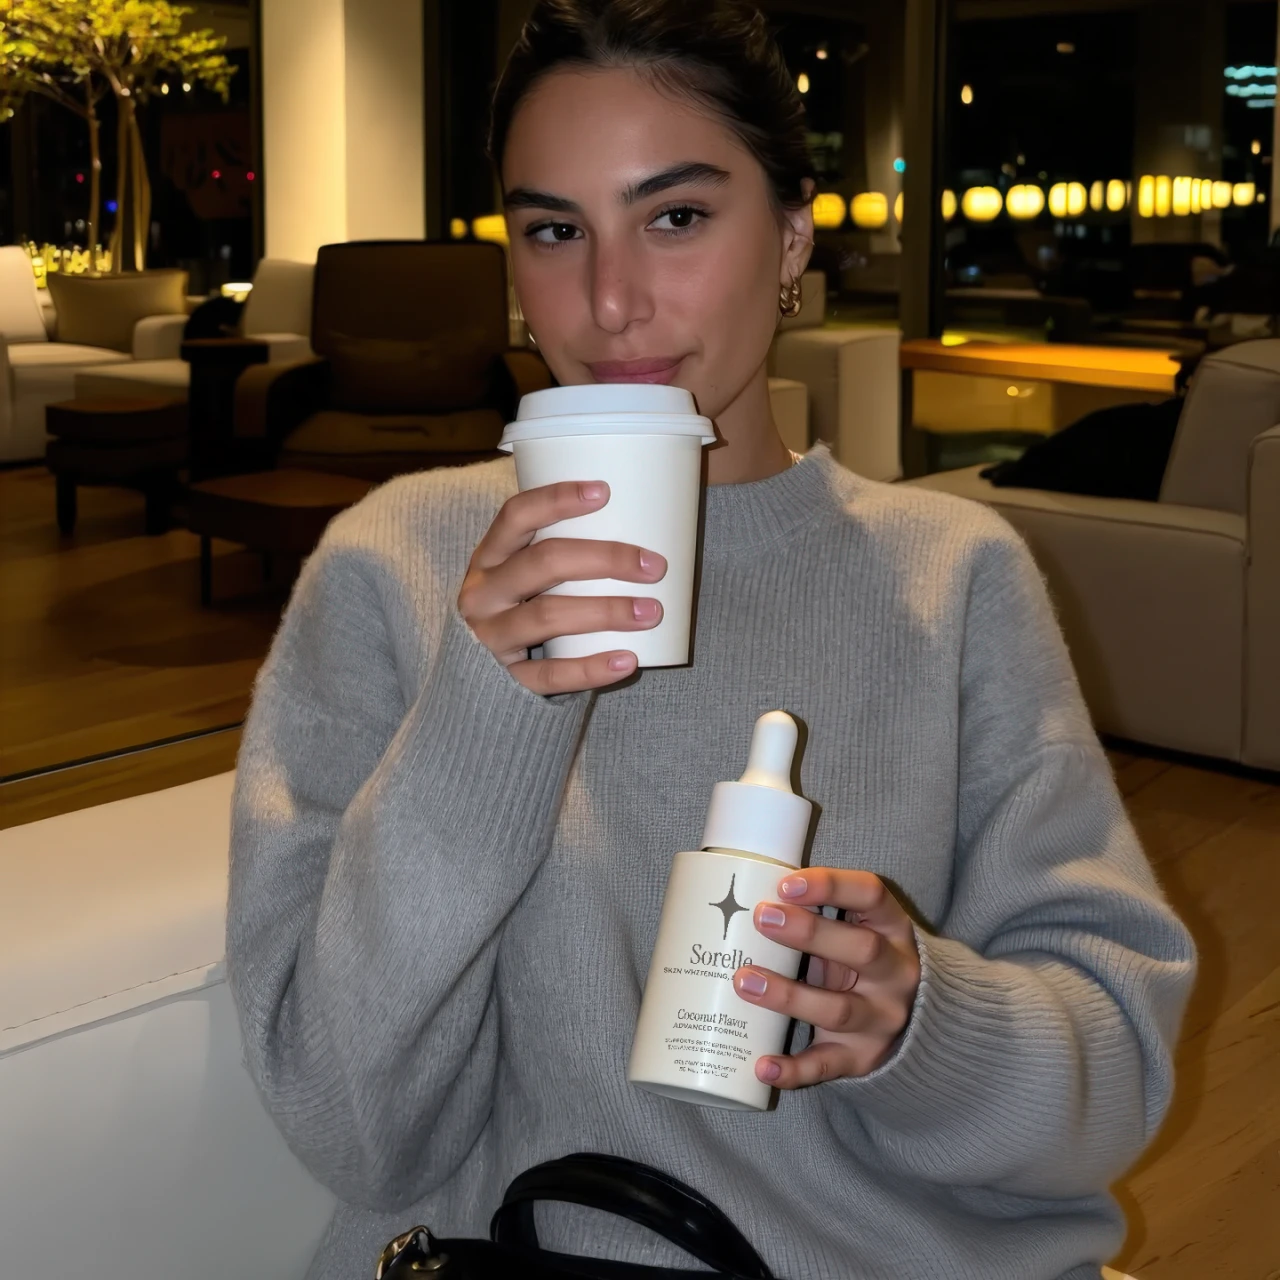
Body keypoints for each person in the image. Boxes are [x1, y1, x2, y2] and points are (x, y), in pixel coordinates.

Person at [226, 2, 1196, 1277]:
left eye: (674, 216)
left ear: (790, 234)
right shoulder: (395, 564)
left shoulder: (949, 579)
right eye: (553, 230)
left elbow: (1110, 1079)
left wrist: (919, 1021)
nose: (611, 299)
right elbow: (353, 1129)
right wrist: (485, 712)